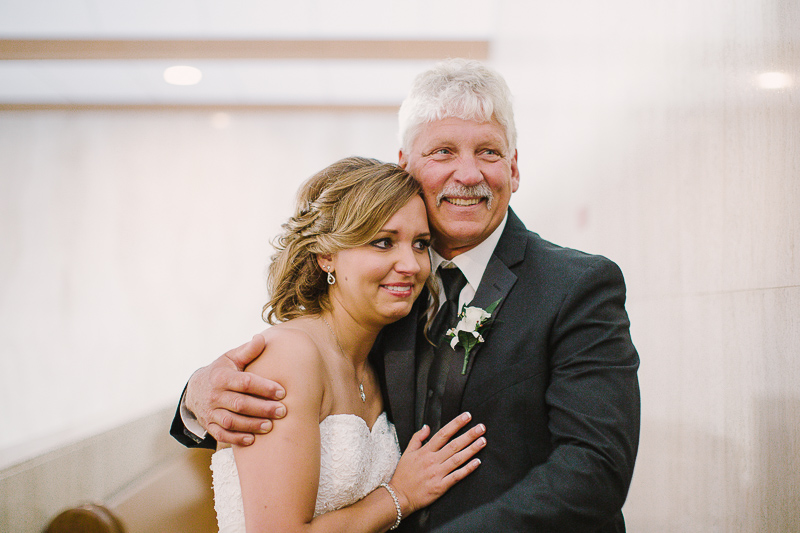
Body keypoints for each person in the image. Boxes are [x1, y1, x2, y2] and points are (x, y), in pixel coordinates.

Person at [171, 59, 641, 532]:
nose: (469, 173)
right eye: (442, 151)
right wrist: (197, 395)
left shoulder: (578, 284)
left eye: (490, 153)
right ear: (406, 168)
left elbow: (595, 470)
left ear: (514, 168)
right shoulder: (386, 294)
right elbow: (290, 392)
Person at [205, 156, 486, 532]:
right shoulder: (290, 356)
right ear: (327, 255)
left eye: (420, 244)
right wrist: (400, 495)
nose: (412, 265)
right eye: (384, 242)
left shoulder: (379, 360)